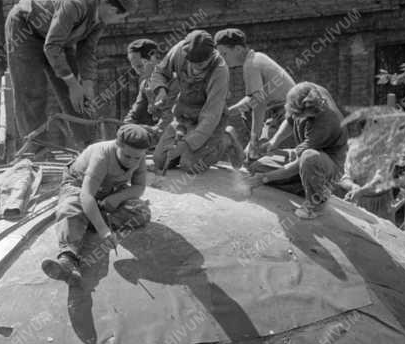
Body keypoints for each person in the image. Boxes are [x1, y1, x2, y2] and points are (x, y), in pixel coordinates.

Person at [5, 0, 138, 155]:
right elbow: (52, 47)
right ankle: (37, 148)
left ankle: (88, 145)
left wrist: (87, 84)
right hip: (25, 29)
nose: (119, 21)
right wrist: (73, 84)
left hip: (58, 37)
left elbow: (87, 51)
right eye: (122, 17)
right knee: (32, 90)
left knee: (78, 96)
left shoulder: (100, 18)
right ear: (112, 9)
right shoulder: (74, 4)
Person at [41, 123, 152, 286]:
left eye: (137, 158)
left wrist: (117, 198)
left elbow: (139, 187)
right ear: (118, 144)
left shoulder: (138, 156)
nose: (132, 162)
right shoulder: (102, 155)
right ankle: (68, 260)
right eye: (127, 156)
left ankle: (89, 218)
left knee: (141, 212)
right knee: (70, 207)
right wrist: (104, 231)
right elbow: (86, 195)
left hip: (110, 189)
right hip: (79, 185)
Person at [246, 82, 348, 219]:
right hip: (304, 154)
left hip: (327, 164)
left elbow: (299, 163)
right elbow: (290, 120)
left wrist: (266, 178)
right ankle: (303, 186)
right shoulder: (303, 93)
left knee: (309, 158)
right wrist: (273, 142)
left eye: (303, 116)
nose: (297, 118)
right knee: (256, 168)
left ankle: (316, 204)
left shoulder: (327, 122)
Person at [149, 29, 230, 173]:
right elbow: (160, 71)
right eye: (192, 62)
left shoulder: (220, 71)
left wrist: (185, 144)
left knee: (190, 165)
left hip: (209, 122)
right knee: (160, 161)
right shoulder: (180, 50)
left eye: (201, 64)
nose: (195, 67)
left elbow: (210, 116)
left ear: (211, 55)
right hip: (183, 117)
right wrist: (161, 91)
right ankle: (188, 150)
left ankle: (225, 140)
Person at [213, 28, 295, 161]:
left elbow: (259, 103)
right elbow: (252, 99)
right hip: (279, 112)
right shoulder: (257, 57)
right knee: (246, 112)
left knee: (255, 159)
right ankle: (249, 152)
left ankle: (250, 150)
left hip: (286, 115)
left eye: (224, 53)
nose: (222, 59)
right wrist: (228, 112)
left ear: (238, 49)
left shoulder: (251, 65)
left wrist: (254, 139)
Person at [123, 37, 164, 146]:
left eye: (140, 66)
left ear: (155, 59)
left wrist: (154, 130)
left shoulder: (175, 81)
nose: (137, 72)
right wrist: (126, 127)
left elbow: (175, 118)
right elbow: (134, 114)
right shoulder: (145, 85)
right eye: (134, 67)